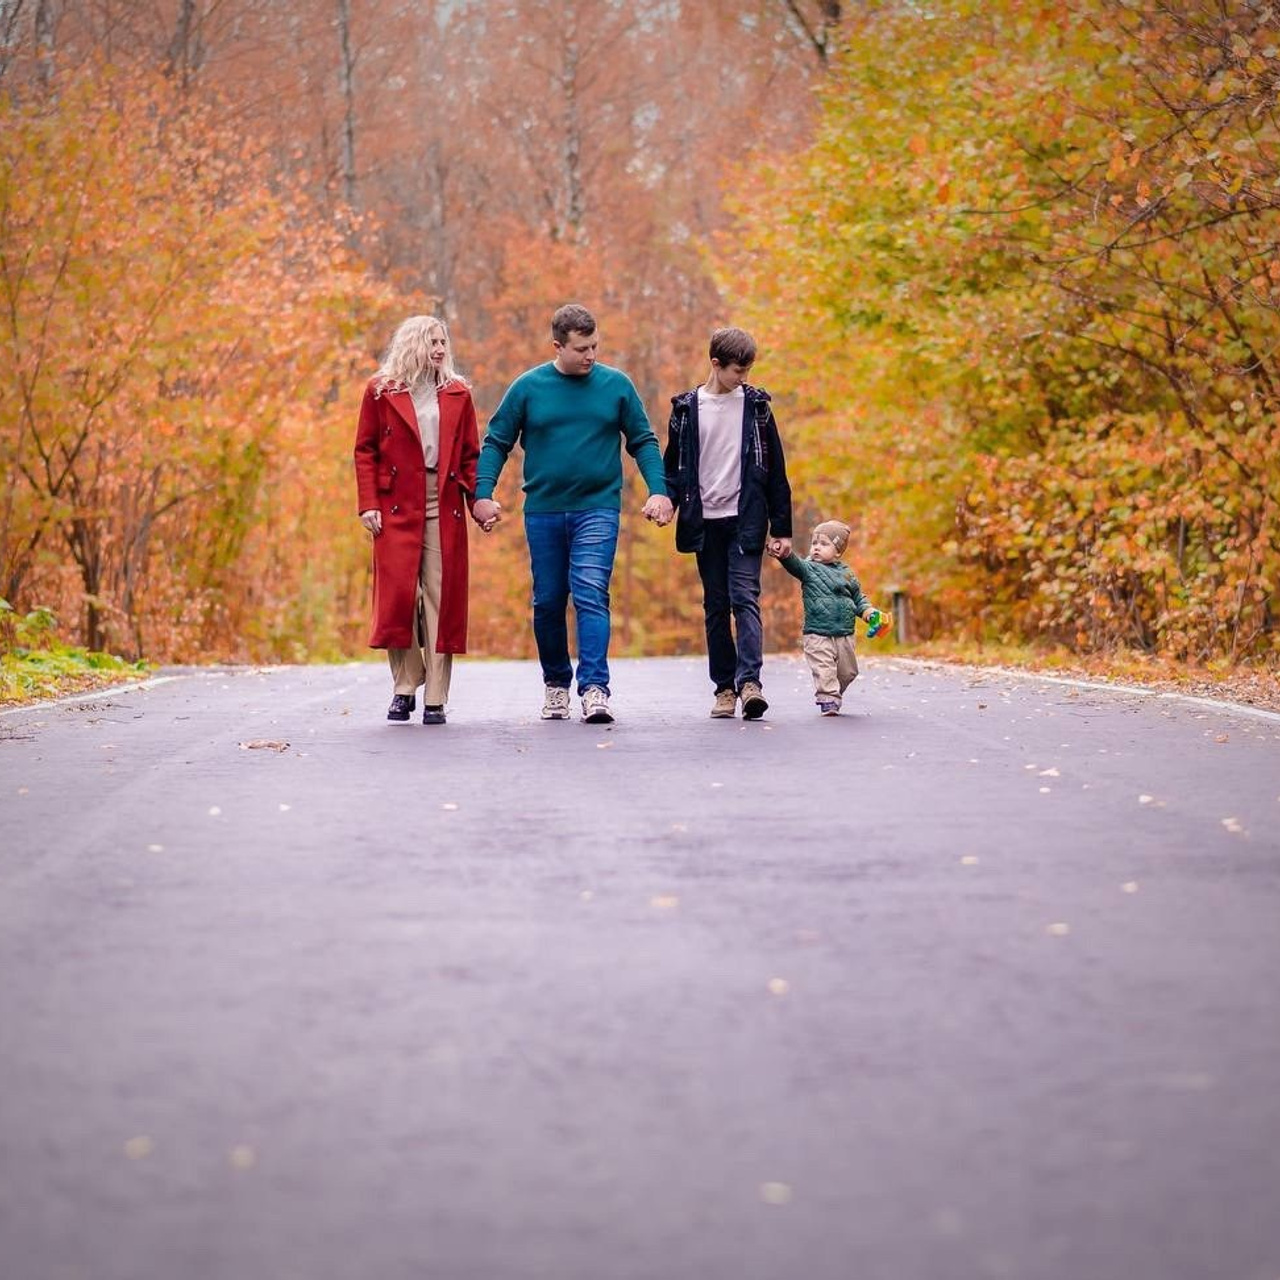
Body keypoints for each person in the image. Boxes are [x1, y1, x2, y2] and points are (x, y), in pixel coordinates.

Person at [471, 303, 673, 724]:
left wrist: (659, 492)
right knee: (547, 601)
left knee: (590, 592)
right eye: (581, 348)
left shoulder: (616, 386)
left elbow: (644, 440)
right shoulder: (528, 388)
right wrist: (482, 494)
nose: (591, 356)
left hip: (597, 508)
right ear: (557, 346)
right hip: (543, 510)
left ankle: (595, 688)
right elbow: (495, 442)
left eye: (595, 346)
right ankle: (557, 685)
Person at [353, 315, 492, 725]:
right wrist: (368, 503)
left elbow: (470, 455)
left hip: (442, 499)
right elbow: (365, 450)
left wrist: (478, 504)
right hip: (396, 503)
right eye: (432, 341)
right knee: (399, 597)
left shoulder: (457, 393)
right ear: (412, 343)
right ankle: (403, 683)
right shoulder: (380, 391)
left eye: (443, 341)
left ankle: (435, 695)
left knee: (439, 597)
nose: (439, 349)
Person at [663, 327, 792, 720]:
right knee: (716, 605)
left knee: (744, 597)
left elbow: (776, 472)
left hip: (745, 519)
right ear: (715, 364)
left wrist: (782, 528)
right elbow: (674, 468)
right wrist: (665, 502)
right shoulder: (686, 410)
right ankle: (723, 687)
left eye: (748, 370)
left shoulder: (757, 408)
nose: (744, 378)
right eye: (738, 370)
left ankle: (750, 682)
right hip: (705, 522)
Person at [772, 519, 886, 716]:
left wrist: (869, 613)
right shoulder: (808, 569)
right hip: (817, 632)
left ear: (838, 551)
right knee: (825, 669)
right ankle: (828, 698)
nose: (816, 547)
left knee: (848, 672)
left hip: (844, 633)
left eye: (824, 544)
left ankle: (833, 692)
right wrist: (785, 555)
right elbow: (794, 564)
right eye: (814, 543)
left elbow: (859, 598)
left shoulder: (847, 574)